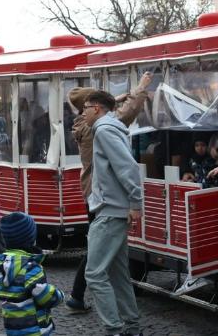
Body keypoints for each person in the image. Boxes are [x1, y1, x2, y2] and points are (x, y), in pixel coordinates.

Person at [64, 73, 150, 314]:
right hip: (105, 197)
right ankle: (83, 299)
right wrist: (140, 89)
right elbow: (125, 115)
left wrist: (114, 99)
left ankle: (78, 296)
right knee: (97, 258)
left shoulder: (83, 125)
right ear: (91, 107)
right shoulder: (100, 129)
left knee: (103, 254)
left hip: (95, 193)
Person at [83, 90, 143, 336]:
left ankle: (114, 329)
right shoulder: (109, 128)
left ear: (96, 108)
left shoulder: (105, 130)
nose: (83, 113)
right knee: (118, 275)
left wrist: (136, 203)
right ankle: (131, 327)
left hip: (110, 211)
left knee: (94, 274)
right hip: (114, 209)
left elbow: (126, 167)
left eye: (85, 108)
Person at [0, 212, 64, 336]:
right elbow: (43, 295)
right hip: (34, 328)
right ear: (30, 238)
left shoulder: (2, 265)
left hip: (13, 328)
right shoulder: (29, 267)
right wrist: (58, 295)